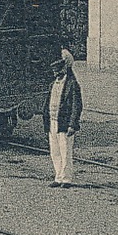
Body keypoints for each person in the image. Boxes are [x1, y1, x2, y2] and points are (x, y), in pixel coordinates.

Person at [44, 49, 83, 187]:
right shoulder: (53, 84)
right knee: (55, 150)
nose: (55, 74)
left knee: (65, 150)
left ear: (64, 69)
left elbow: (76, 106)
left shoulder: (72, 85)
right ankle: (58, 176)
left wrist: (73, 124)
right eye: (54, 71)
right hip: (52, 121)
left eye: (58, 71)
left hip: (64, 123)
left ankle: (66, 178)